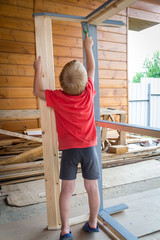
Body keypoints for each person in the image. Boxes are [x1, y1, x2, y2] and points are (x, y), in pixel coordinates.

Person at [33, 33, 100, 240]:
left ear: (63, 83)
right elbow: (91, 69)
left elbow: (37, 91)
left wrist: (38, 70)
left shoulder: (58, 97)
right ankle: (93, 223)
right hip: (89, 148)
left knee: (67, 190)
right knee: (92, 187)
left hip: (69, 150)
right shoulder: (88, 90)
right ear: (82, 83)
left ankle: (65, 231)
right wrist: (88, 46)